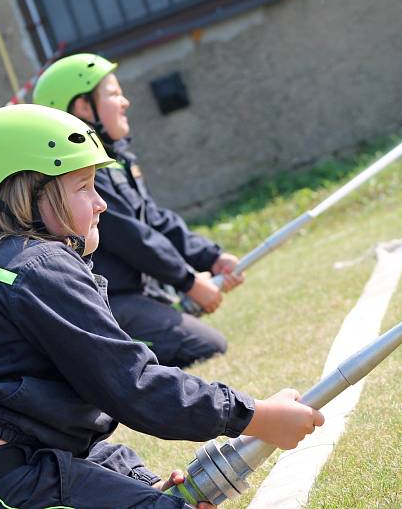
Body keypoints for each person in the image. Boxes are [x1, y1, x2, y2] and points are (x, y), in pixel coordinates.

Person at [0, 104, 324, 509]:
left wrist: (137, 482)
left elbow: (75, 423)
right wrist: (255, 417)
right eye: (83, 187)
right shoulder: (39, 265)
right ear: (28, 197)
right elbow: (132, 384)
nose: (100, 202)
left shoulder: (6, 268)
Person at [33, 53, 244, 368]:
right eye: (114, 93)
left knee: (203, 339)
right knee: (207, 345)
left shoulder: (116, 161)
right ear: (82, 108)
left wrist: (209, 257)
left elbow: (154, 218)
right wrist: (189, 281)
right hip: (105, 300)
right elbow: (133, 237)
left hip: (134, 292)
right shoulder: (82, 174)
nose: (125, 102)